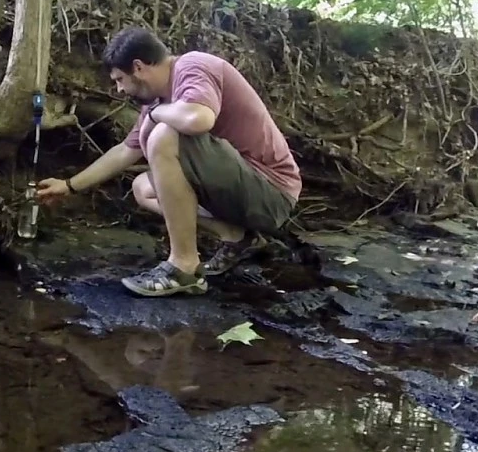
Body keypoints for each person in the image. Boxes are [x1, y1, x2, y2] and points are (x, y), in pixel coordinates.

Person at [36, 27, 302, 298]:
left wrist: (157, 115)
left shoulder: (192, 65)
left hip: (271, 194)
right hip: (243, 191)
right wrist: (69, 186)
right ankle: (239, 238)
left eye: (119, 79)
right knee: (143, 187)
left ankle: (184, 268)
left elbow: (199, 119)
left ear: (138, 67)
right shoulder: (160, 102)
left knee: (164, 135)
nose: (119, 89)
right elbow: (124, 152)